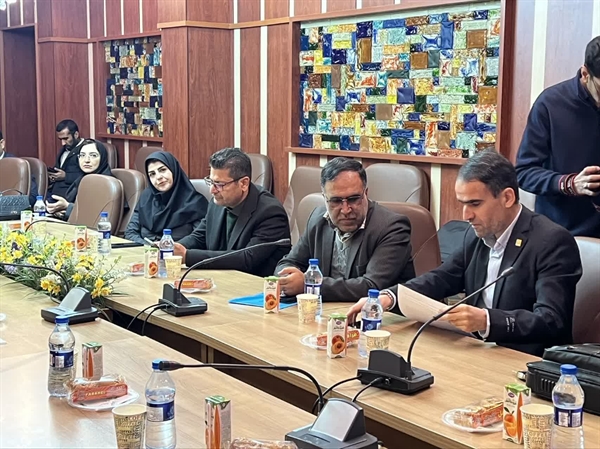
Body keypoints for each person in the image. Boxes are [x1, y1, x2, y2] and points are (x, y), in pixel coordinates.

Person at [347, 150, 582, 356]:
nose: (466, 215)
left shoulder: (552, 241)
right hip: (477, 351)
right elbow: (441, 279)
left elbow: (551, 320)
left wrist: (487, 320)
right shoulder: (476, 234)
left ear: (507, 197)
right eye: (463, 203)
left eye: (475, 204)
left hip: (524, 361)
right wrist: (389, 297)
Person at [275, 157, 415, 303]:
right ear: (325, 198)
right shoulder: (318, 219)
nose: (346, 209)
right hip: (326, 310)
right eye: (336, 201)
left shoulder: (392, 227)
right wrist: (288, 277)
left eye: (353, 199)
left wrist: (309, 284)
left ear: (366, 194)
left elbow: (372, 286)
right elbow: (289, 262)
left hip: (376, 313)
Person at [516, 36, 600, 237]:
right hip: (563, 235)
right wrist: (569, 184)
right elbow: (524, 173)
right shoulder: (550, 104)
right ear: (585, 74)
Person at [174, 148, 290, 277]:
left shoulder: (270, 212)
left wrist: (188, 256)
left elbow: (247, 259)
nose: (212, 190)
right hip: (220, 278)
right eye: (211, 182)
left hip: (253, 283)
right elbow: (200, 236)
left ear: (243, 183)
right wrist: (173, 248)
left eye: (219, 184)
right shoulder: (218, 201)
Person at [125, 151, 209, 244]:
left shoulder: (196, 203)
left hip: (180, 252)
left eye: (162, 170)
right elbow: (130, 232)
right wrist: (150, 247)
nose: (158, 177)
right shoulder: (146, 198)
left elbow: (200, 239)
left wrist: (167, 248)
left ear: (173, 169)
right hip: (145, 251)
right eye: (152, 174)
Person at [46, 139, 115, 220]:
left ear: (102, 157)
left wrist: (68, 207)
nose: (86, 160)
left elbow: (97, 216)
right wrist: (60, 210)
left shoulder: (106, 184)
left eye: (93, 155)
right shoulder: (81, 179)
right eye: (82, 155)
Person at [47, 119, 85, 200]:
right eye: (61, 139)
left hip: (71, 196)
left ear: (76, 134)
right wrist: (53, 175)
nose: (63, 143)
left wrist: (66, 176)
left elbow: (89, 177)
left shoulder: (87, 150)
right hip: (54, 193)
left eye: (66, 138)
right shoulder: (65, 149)